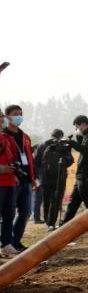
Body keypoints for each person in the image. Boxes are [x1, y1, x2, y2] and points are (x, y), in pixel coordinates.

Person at [62, 115, 88, 236]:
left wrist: (72, 143)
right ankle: (64, 227)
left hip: (87, 174)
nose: (77, 129)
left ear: (83, 124)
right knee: (74, 201)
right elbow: (83, 148)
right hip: (82, 174)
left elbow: (86, 150)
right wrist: (77, 139)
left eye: (77, 127)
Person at [3, 105, 37, 252]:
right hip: (11, 180)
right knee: (8, 213)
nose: (19, 117)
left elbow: (29, 158)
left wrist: (33, 177)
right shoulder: (3, 136)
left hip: (26, 180)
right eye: (15, 114)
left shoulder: (25, 137)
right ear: (7, 116)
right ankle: (6, 242)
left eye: (21, 114)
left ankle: (15, 241)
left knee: (26, 212)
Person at [36, 129, 72, 230]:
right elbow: (70, 161)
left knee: (46, 201)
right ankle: (51, 223)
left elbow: (36, 162)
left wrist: (39, 176)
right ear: (61, 136)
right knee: (56, 201)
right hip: (59, 178)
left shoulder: (42, 145)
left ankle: (48, 222)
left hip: (45, 179)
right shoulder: (63, 145)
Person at [0, 119, 23, 257]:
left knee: (9, 215)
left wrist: (14, 174)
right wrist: (3, 169)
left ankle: (6, 244)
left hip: (9, 182)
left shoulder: (4, 137)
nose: (2, 120)